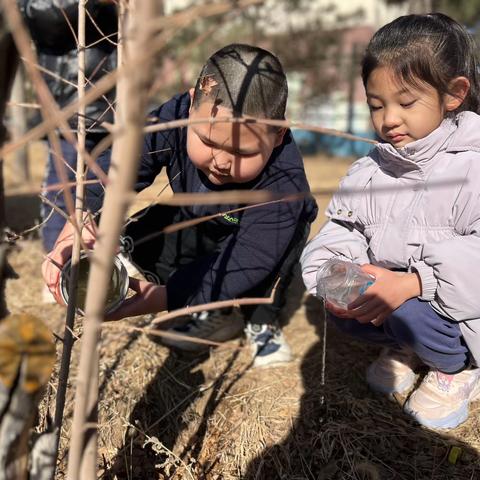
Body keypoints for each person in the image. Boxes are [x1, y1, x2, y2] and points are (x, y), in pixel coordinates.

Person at [43, 44, 318, 367]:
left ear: (277, 136)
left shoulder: (284, 183)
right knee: (144, 238)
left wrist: (167, 298)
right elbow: (120, 164)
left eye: (242, 153)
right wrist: (82, 219)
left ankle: (259, 319)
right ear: (190, 107)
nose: (222, 161)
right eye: (209, 141)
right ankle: (213, 304)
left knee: (262, 270)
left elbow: (250, 259)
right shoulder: (172, 118)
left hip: (263, 240)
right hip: (203, 218)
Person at [301, 13, 480, 429]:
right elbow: (341, 232)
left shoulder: (472, 168)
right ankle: (409, 347)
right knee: (342, 306)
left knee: (411, 314)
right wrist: (333, 277)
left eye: (406, 103)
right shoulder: (370, 170)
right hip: (400, 301)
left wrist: (414, 285)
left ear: (453, 94)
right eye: (376, 105)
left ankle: (458, 368)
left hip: (458, 308)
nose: (389, 120)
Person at [21, 0, 117, 252]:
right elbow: (37, 14)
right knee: (62, 198)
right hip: (70, 106)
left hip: (117, 106)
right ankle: (56, 274)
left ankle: (96, 277)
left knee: (105, 198)